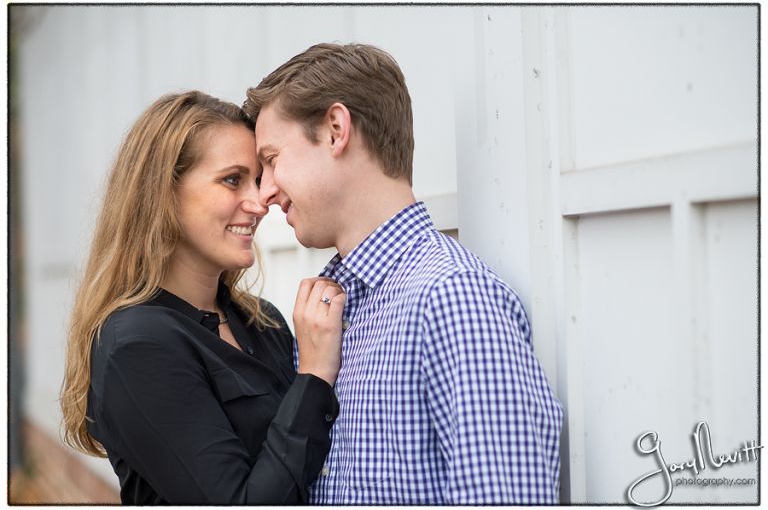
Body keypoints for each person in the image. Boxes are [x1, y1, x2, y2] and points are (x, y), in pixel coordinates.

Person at [243, 43, 564, 504]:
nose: (265, 192)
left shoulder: (452, 299)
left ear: (335, 130)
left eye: (272, 160)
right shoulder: (335, 310)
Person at [59, 91, 346, 504]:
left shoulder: (262, 321)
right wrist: (315, 377)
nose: (259, 203)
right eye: (232, 180)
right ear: (163, 192)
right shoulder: (137, 344)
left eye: (257, 180)